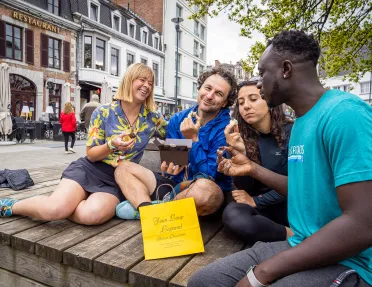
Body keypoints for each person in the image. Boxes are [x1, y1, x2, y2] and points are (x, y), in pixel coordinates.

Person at [188, 30, 372, 287]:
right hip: (301, 243)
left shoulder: (345, 114)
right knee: (204, 281)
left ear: (286, 69)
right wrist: (252, 168)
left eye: (263, 72)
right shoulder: (301, 124)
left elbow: (363, 223)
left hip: (353, 261)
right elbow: (302, 189)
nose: (259, 82)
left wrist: (262, 273)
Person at [0, 63, 167, 225]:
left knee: (91, 215)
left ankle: (66, 204)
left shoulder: (153, 118)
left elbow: (175, 131)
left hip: (119, 180)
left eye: (150, 83)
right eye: (142, 80)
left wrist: (189, 133)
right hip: (90, 169)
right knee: (54, 210)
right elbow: (91, 154)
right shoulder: (103, 112)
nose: (147, 86)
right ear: (129, 80)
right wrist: (111, 145)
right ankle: (12, 206)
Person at [115, 66, 238, 219]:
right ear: (199, 88)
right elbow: (173, 165)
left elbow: (206, 176)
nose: (210, 95)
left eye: (218, 93)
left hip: (204, 195)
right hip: (175, 189)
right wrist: (170, 166)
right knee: (123, 168)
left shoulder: (228, 129)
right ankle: (150, 212)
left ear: (225, 102)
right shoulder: (178, 119)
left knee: (205, 191)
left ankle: (151, 212)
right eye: (207, 88)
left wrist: (193, 139)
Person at [222, 77, 293, 245]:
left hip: (290, 207)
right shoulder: (240, 138)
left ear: (269, 100)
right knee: (233, 216)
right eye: (241, 102)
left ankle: (295, 235)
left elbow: (298, 185)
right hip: (261, 213)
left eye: (253, 99)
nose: (246, 106)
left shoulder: (293, 132)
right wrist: (241, 153)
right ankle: (290, 235)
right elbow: (244, 189)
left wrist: (257, 200)